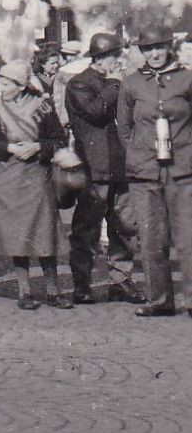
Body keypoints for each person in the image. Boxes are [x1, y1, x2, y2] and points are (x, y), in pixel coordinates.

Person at [0, 59, 68, 310]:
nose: (0, 85)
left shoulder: (43, 106)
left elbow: (59, 139)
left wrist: (38, 146)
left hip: (36, 175)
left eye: (5, 81)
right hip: (8, 177)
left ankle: (53, 290)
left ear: (20, 84)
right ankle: (24, 291)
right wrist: (9, 147)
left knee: (44, 233)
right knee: (18, 237)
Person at [116, 29, 192, 317]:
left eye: (159, 47)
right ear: (140, 52)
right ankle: (159, 300)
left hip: (183, 170)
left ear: (169, 47)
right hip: (145, 172)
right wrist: (139, 152)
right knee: (150, 239)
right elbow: (124, 127)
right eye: (148, 49)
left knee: (188, 238)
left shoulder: (187, 78)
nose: (154, 54)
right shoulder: (132, 82)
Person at [64, 32, 144, 304]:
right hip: (93, 168)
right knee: (86, 228)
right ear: (100, 58)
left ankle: (120, 281)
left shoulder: (119, 84)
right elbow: (96, 110)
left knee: (125, 228)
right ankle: (82, 285)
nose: (120, 61)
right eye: (115, 56)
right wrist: (114, 82)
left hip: (120, 166)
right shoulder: (79, 84)